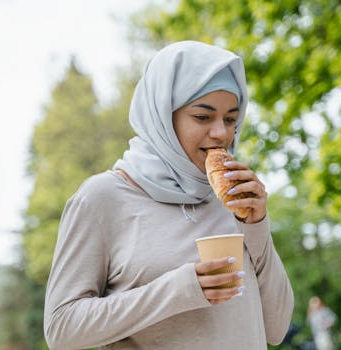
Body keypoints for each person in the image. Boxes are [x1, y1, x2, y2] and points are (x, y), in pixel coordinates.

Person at [43, 40, 294, 350]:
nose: (222, 134)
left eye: (230, 119)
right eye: (203, 117)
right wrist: (180, 289)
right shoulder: (102, 198)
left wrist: (256, 226)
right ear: (162, 116)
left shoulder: (232, 200)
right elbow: (62, 328)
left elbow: (277, 328)